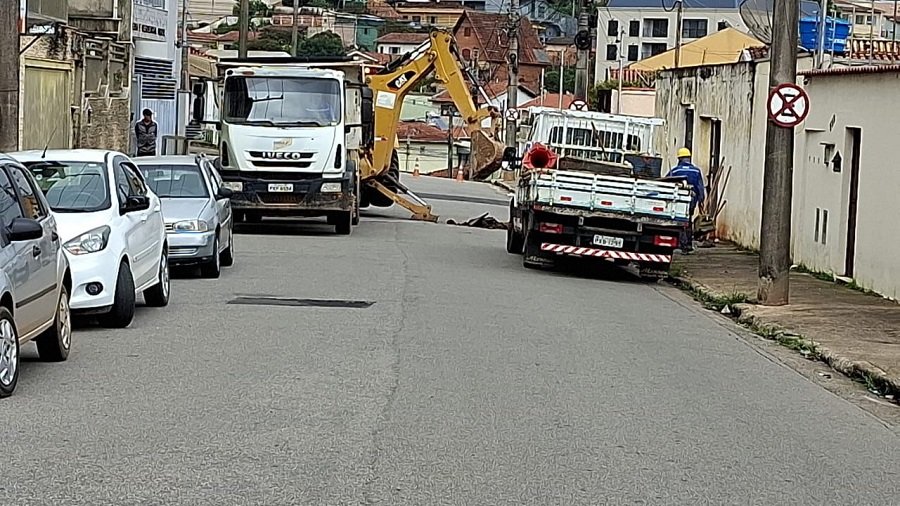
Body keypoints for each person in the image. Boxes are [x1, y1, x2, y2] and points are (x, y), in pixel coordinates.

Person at [666, 147, 705, 252]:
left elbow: (666, 182)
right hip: (692, 200)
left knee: (678, 220)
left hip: (678, 201)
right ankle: (688, 244)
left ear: (679, 159)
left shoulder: (675, 171)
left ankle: (681, 243)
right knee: (688, 220)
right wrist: (701, 200)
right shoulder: (696, 171)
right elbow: (700, 187)